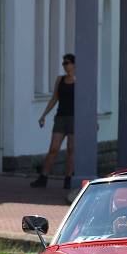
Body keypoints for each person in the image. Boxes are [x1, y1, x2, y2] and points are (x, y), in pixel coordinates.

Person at [31, 53, 76, 189]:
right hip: (61, 117)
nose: (65, 66)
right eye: (63, 63)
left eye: (67, 63)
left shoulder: (79, 81)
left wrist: (93, 119)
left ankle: (68, 179)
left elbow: (86, 101)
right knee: (53, 148)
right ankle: (43, 177)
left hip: (74, 118)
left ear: (74, 65)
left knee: (71, 150)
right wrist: (43, 115)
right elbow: (54, 98)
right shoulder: (60, 80)